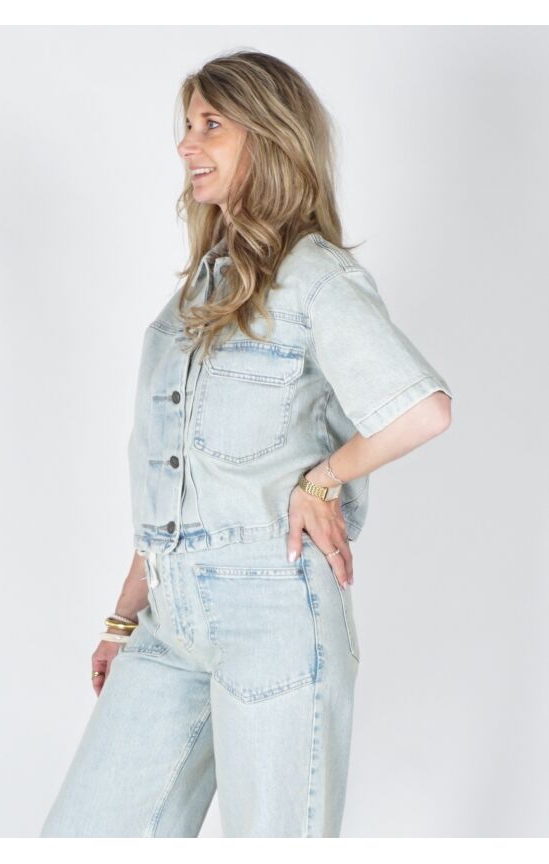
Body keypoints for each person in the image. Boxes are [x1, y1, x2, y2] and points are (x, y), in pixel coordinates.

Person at [39, 49, 453, 838]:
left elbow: (422, 410)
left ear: (268, 136)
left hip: (275, 610)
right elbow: (174, 473)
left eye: (211, 125)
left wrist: (323, 479)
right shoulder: (203, 288)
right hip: (170, 617)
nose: (186, 144)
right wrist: (125, 616)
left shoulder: (315, 278)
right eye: (188, 125)